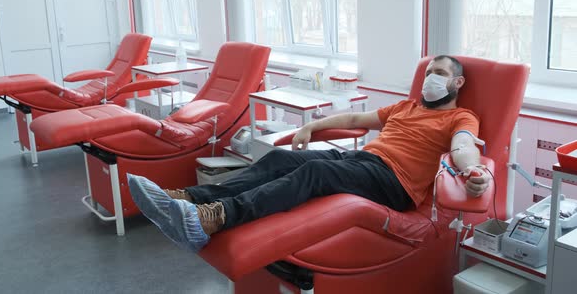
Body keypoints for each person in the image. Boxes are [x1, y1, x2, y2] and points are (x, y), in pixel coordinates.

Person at [127, 55, 491, 253]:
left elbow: (463, 146)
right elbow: (352, 117)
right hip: (362, 163)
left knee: (312, 175)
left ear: (456, 82)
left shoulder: (461, 116)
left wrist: (472, 172)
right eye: (429, 72)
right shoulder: (406, 107)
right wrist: (310, 128)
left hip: (393, 183)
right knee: (279, 158)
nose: (430, 79)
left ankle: (213, 218)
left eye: (439, 73)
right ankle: (189, 198)